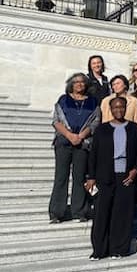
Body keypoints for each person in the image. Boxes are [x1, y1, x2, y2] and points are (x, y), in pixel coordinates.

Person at [86, 97, 137, 259]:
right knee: (102, 213)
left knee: (121, 213)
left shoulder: (134, 128)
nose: (119, 110)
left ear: (126, 108)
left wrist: (135, 170)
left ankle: (119, 248)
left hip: (125, 177)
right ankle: (99, 250)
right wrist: (91, 176)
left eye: (122, 107)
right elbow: (93, 154)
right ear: (110, 109)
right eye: (115, 107)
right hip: (105, 176)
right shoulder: (102, 130)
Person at [49, 73, 100, 223]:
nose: (79, 84)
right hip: (64, 142)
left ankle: (79, 210)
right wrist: (69, 135)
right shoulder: (63, 100)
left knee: (79, 178)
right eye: (76, 82)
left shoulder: (92, 102)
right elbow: (56, 120)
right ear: (71, 84)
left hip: (82, 144)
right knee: (61, 177)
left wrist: (81, 136)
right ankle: (57, 212)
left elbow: (95, 121)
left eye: (82, 82)